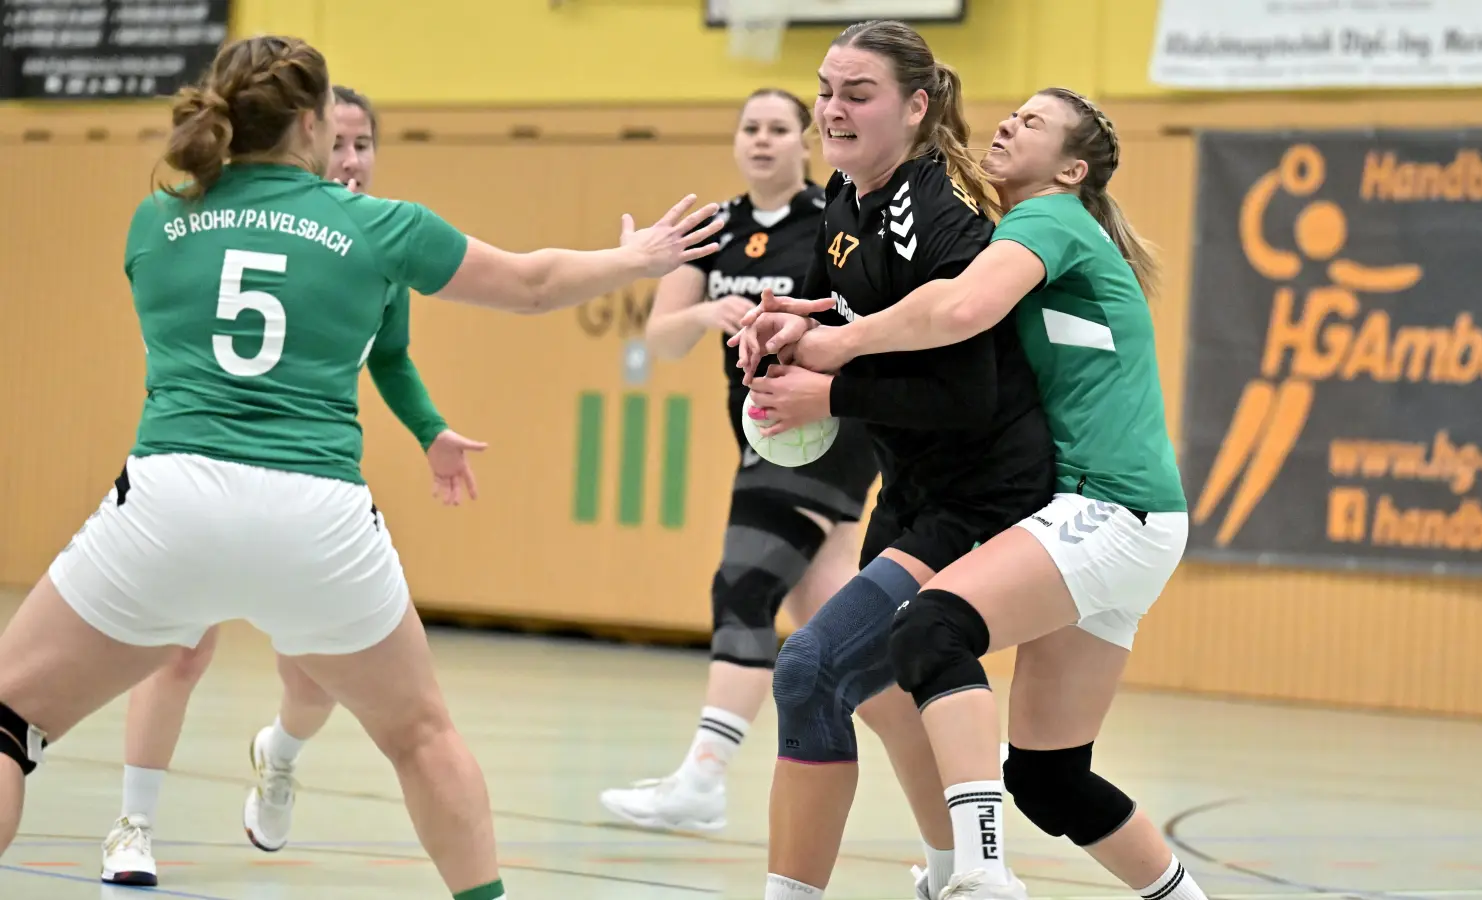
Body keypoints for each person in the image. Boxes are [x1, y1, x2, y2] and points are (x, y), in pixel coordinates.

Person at [0, 35, 722, 900]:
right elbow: (530, 285)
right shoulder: (378, 225)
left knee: (11, 720)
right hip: (318, 517)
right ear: (311, 122)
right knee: (420, 738)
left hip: (171, 500)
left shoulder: (157, 220)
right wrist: (634, 261)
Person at [755, 89, 1209, 900]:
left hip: (1108, 505)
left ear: (1071, 169)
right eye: (1012, 113)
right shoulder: (1021, 230)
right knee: (1050, 778)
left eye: (1033, 124)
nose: (1009, 125)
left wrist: (834, 348)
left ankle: (982, 872)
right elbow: (925, 305)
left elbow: (959, 308)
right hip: (1129, 518)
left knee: (929, 630)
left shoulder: (1050, 217)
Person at [97, 83, 480, 887]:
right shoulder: (232, 221)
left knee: (310, 676)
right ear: (301, 141)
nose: (349, 159)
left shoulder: (374, 240)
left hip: (305, 495)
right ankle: (132, 824)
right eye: (336, 142)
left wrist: (431, 431)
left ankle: (280, 754)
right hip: (202, 470)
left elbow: (391, 356)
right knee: (178, 651)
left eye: (363, 144)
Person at [729, 20, 1057, 900]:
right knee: (877, 689)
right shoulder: (847, 196)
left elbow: (965, 393)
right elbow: (868, 309)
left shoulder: (941, 209)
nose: (831, 110)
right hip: (913, 484)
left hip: (985, 494)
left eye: (857, 94)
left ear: (916, 106)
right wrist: (802, 323)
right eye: (825, 91)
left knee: (811, 669)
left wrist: (826, 393)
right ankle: (956, 871)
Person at [597, 88, 880, 834]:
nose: (762, 140)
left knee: (743, 586)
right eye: (750, 128)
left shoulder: (834, 219)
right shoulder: (715, 229)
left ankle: (703, 779)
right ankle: (955, 774)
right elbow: (661, 338)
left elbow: (861, 321)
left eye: (779, 128)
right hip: (760, 434)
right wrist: (703, 313)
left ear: (804, 142)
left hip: (822, 429)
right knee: (839, 632)